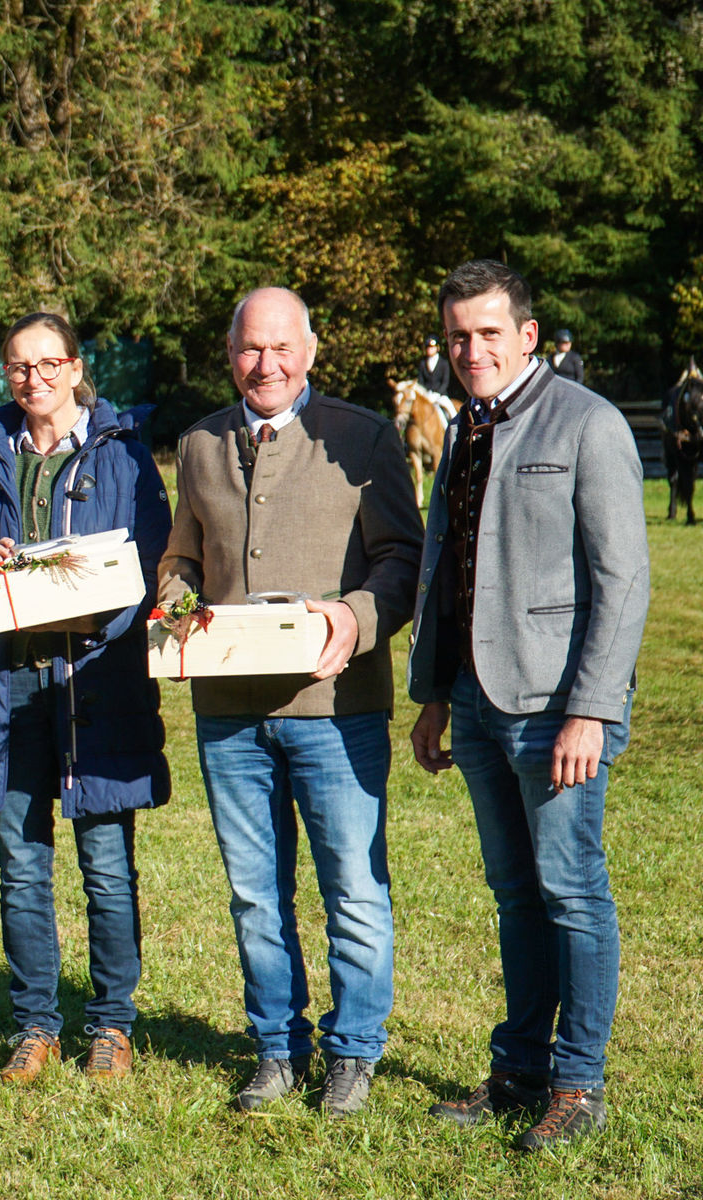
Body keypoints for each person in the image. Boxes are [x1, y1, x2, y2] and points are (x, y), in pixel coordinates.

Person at [158, 286, 422, 1117]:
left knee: (352, 887)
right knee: (254, 892)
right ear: (229, 352)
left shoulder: (364, 438)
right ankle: (276, 1048)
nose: (264, 365)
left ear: (310, 351)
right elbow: (183, 556)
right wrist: (172, 599)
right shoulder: (200, 442)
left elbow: (402, 565)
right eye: (248, 349)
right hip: (229, 711)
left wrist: (356, 615)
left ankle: (353, 1053)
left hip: (335, 709)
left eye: (281, 349)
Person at [408, 260, 648, 1151]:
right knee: (515, 894)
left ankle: (577, 1087)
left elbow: (622, 581)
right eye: (458, 336)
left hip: (557, 708)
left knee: (571, 890)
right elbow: (450, 571)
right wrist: (435, 695)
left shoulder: (589, 423)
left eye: (488, 334)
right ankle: (519, 1072)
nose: (472, 350)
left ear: (528, 336)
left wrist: (590, 708)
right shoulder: (465, 429)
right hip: (473, 699)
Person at [0, 312, 172, 1084]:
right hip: (6, 686)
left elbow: (157, 558)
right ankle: (35, 1025)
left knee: (105, 863)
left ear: (74, 366)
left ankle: (111, 1026)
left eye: (47, 364)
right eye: (17, 368)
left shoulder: (123, 455)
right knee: (22, 865)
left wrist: (102, 606)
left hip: (95, 684)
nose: (32, 380)